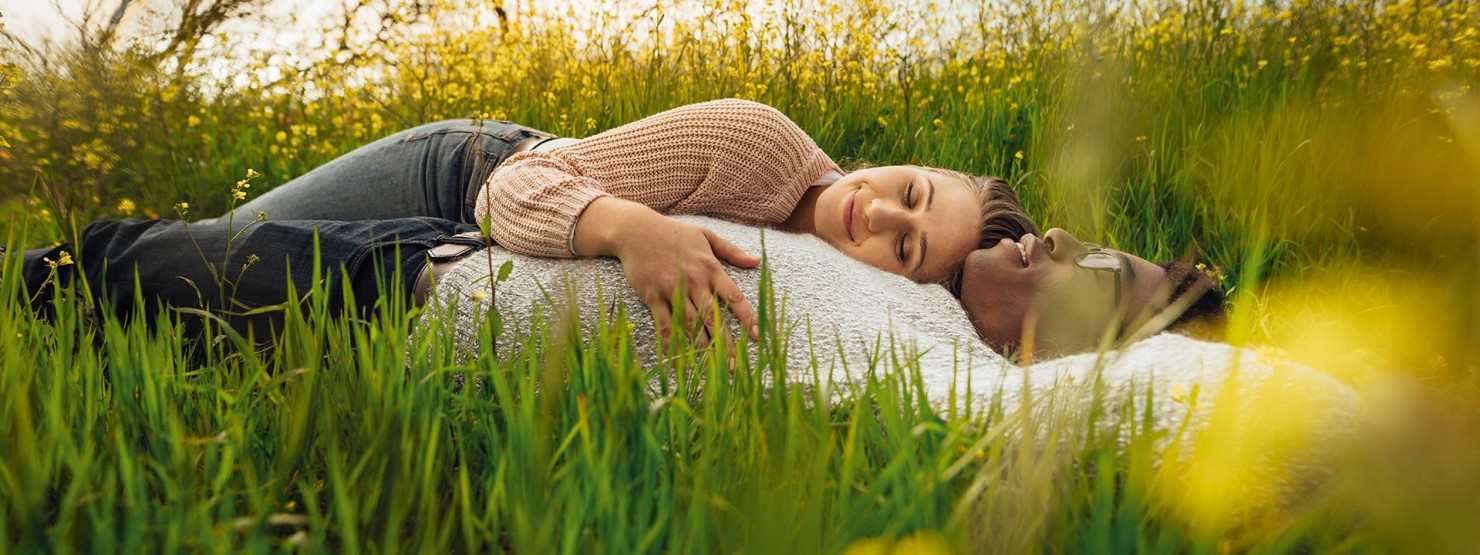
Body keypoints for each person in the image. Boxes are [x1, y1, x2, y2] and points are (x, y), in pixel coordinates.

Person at [187, 98, 1037, 340]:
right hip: (466, 174)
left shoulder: (843, 298)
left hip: (459, 248)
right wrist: (633, 228)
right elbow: (514, 191)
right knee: (219, 246)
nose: (879, 210)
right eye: (913, 190)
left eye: (906, 245)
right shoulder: (758, 145)